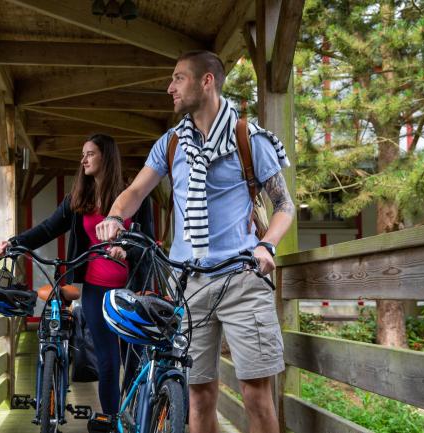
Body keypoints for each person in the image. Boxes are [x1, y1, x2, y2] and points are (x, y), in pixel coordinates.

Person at [95, 51, 295, 433]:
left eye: (178, 78)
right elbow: (135, 191)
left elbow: (284, 204)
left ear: (207, 81)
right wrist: (114, 217)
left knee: (256, 396)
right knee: (198, 398)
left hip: (242, 278)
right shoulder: (170, 144)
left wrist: (266, 245)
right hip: (188, 284)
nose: (170, 88)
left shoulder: (248, 139)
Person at [0, 133, 153, 415]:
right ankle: (114, 420)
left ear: (106, 156)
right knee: (106, 361)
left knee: (134, 360)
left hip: (131, 292)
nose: (83, 159)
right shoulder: (78, 200)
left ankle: (134, 417)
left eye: (90, 153)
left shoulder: (135, 197)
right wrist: (13, 244)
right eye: (83, 154)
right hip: (95, 290)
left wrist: (127, 252)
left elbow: (149, 244)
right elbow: (46, 229)